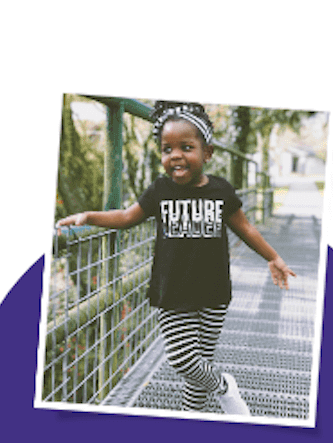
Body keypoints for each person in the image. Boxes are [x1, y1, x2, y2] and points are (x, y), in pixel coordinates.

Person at [54, 101, 293, 416]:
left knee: (199, 371)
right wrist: (89, 216)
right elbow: (126, 217)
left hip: (214, 292)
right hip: (172, 293)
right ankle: (224, 387)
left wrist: (273, 257)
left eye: (186, 147)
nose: (175, 155)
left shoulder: (221, 191)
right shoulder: (160, 191)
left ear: (207, 152)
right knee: (183, 359)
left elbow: (246, 228)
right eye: (167, 149)